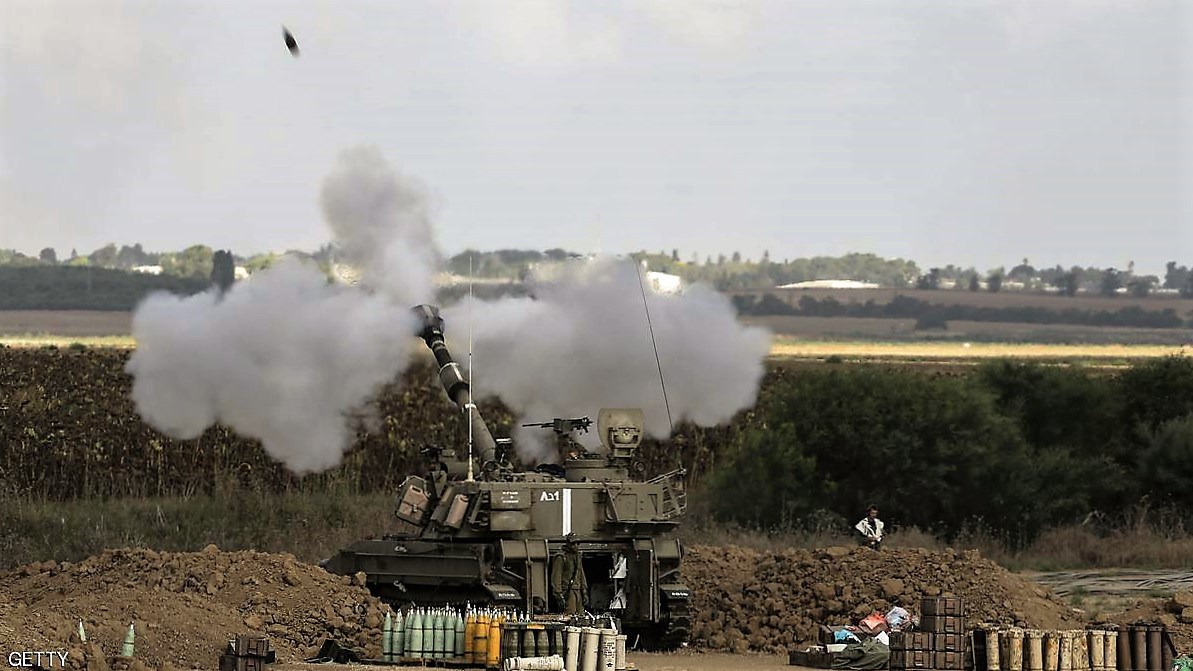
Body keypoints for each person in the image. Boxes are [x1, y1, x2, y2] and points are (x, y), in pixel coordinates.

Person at [550, 538, 588, 614]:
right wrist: (558, 594)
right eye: (573, 544)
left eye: (578, 543)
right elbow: (556, 576)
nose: (576, 546)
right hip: (568, 591)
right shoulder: (561, 557)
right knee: (570, 616)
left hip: (578, 590)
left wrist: (584, 591)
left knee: (581, 617)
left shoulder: (577, 557)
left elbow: (581, 574)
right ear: (568, 544)